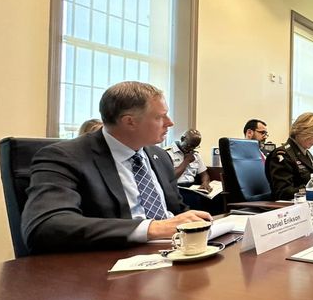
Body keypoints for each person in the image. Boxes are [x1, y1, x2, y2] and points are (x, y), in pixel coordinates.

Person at [22, 81, 211, 253]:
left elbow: (176, 209)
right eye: (160, 117)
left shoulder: (160, 156)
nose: (170, 123)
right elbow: (46, 225)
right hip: (115, 264)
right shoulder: (65, 157)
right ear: (130, 121)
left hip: (176, 252)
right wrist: (152, 228)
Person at [266, 112, 313, 201]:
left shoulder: (306, 154)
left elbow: (309, 178)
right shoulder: (282, 154)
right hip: (289, 208)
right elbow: (283, 193)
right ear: (304, 131)